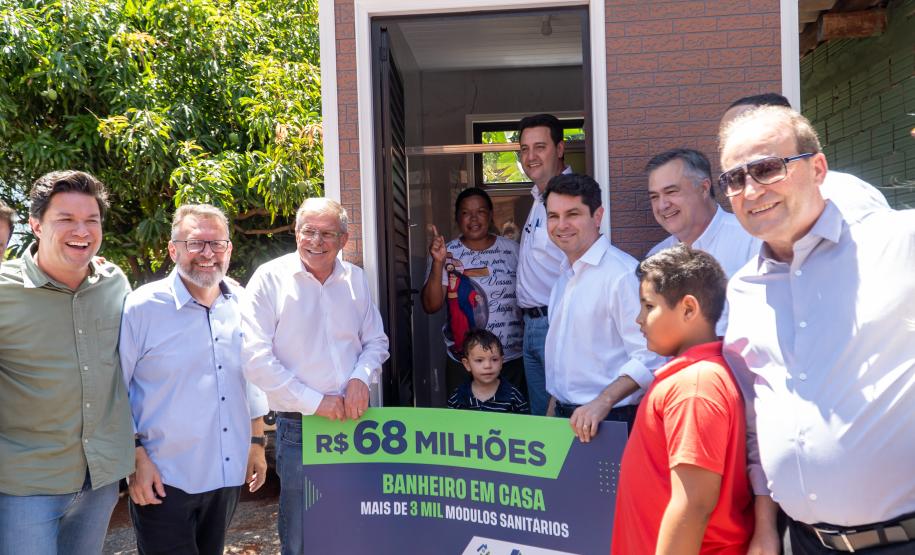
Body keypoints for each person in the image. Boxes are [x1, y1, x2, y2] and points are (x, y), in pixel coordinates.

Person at [720, 105, 915, 553]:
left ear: (818, 168)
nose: (751, 190)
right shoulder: (744, 290)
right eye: (735, 179)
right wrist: (766, 529)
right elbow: (759, 421)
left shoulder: (896, 244)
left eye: (768, 169)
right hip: (806, 542)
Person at [241, 197, 389, 555]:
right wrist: (316, 402)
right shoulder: (269, 279)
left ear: (344, 238)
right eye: (308, 231)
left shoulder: (356, 279)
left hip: (356, 425)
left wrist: (360, 377)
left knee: (355, 524)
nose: (316, 241)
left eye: (327, 233)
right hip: (300, 429)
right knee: (302, 534)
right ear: (296, 233)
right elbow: (255, 359)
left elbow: (376, 341)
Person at [119, 204, 269, 554]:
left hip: (226, 474)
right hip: (163, 477)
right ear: (174, 249)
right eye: (195, 244)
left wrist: (257, 443)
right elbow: (116, 390)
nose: (207, 254)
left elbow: (252, 379)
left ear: (229, 249)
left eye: (217, 244)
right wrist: (134, 460)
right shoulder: (142, 307)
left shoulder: (242, 303)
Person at [0, 171, 133, 554]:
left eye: (92, 220)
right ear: (36, 225)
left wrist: (219, 290)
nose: (82, 230)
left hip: (100, 482)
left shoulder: (115, 283)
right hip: (24, 488)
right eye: (66, 220)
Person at [612, 244, 753, 555]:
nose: (639, 319)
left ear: (689, 309)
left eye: (648, 306)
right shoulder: (691, 375)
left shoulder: (696, 384)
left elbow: (694, 504)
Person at [542, 173, 664, 441]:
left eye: (572, 214)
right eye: (553, 216)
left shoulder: (622, 275)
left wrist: (603, 402)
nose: (561, 225)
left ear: (597, 216)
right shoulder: (563, 279)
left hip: (610, 421)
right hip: (565, 419)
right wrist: (553, 409)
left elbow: (651, 355)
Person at [721, 92, 890, 221]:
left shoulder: (844, 194)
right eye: (725, 134)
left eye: (767, 169)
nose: (751, 192)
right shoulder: (760, 224)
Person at [645, 148, 761, 334]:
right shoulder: (656, 257)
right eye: (654, 196)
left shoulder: (751, 239)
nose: (662, 205)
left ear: (704, 188)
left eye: (671, 191)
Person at [421, 187, 524, 395]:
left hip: (510, 360)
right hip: (463, 363)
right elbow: (431, 306)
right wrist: (438, 262)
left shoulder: (514, 250)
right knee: (464, 425)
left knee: (512, 425)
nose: (474, 219)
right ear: (457, 218)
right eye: (466, 213)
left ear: (491, 215)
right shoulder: (445, 253)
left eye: (481, 212)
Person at [515, 113, 571, 415]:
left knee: (557, 418)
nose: (531, 156)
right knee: (542, 419)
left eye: (540, 147)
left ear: (560, 149)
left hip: (556, 322)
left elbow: (578, 267)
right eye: (524, 149)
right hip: (533, 324)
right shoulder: (539, 197)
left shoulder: (570, 198)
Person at [447, 329, 530, 414]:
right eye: (479, 360)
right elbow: (451, 424)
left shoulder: (513, 397)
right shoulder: (458, 397)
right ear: (467, 364)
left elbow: (524, 425)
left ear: (501, 362)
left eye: (494, 360)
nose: (488, 366)